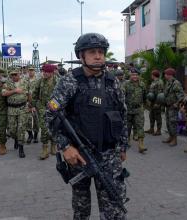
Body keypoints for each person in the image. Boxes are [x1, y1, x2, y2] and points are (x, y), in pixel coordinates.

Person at [46, 33, 128, 219]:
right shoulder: (70, 81)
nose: (98, 56)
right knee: (81, 209)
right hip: (80, 156)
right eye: (92, 52)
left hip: (110, 155)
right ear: (81, 56)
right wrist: (65, 147)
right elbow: (50, 114)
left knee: (115, 208)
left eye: (101, 52)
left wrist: (122, 146)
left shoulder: (113, 81)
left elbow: (122, 115)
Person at [2, 69, 31, 158]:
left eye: (16, 74)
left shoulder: (25, 82)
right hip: (11, 108)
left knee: (21, 128)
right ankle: (15, 139)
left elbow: (29, 94)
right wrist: (14, 91)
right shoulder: (7, 83)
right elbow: (3, 93)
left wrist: (30, 105)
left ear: (19, 74)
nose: (14, 76)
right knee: (12, 129)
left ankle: (21, 148)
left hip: (22, 108)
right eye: (12, 75)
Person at [32, 64, 58, 160]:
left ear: (51, 72)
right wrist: (33, 105)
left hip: (55, 108)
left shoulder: (58, 81)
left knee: (55, 127)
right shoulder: (40, 81)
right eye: (43, 72)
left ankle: (54, 145)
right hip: (42, 107)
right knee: (44, 128)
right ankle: (45, 148)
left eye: (46, 72)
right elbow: (34, 93)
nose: (44, 73)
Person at [124, 68, 147, 153]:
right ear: (130, 75)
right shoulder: (126, 84)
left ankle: (141, 145)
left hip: (139, 109)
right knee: (128, 126)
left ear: (139, 76)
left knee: (140, 126)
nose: (135, 76)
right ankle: (128, 140)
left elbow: (145, 96)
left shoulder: (142, 84)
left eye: (136, 75)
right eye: (133, 75)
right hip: (128, 109)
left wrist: (144, 106)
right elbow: (122, 95)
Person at [162, 68, 184, 146]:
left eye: (166, 74)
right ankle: (170, 137)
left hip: (173, 107)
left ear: (170, 75)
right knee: (168, 123)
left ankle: (175, 139)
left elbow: (181, 96)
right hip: (168, 106)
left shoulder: (176, 83)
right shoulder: (168, 83)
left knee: (173, 123)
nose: (164, 75)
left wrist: (177, 104)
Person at [145, 70, 164, 136]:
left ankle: (159, 130)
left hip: (156, 101)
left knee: (158, 116)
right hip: (152, 102)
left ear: (154, 75)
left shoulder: (159, 82)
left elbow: (160, 94)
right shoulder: (153, 82)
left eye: (151, 75)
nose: (151, 76)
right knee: (151, 116)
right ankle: (151, 129)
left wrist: (158, 103)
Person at [25, 65, 40, 144]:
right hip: (27, 102)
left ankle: (35, 135)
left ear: (34, 71)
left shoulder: (38, 80)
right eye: (29, 70)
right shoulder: (25, 80)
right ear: (28, 71)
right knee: (27, 120)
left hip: (36, 102)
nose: (31, 72)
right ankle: (30, 135)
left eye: (32, 70)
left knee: (36, 119)